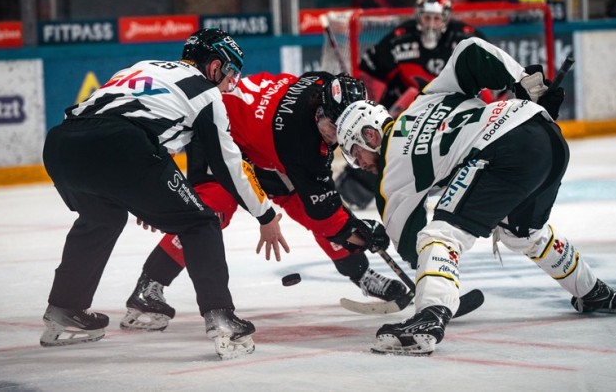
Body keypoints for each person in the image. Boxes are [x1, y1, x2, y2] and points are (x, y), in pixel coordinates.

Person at [335, 37, 616, 356]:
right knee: (521, 232)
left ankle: (429, 318)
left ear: (370, 135)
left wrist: (394, 246)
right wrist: (524, 80)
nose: (359, 164)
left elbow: (410, 243)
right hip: (546, 137)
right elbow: (470, 51)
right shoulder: (427, 98)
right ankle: (593, 291)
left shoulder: (390, 172)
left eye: (354, 153)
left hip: (503, 150)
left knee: (439, 234)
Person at [39, 28, 288, 360]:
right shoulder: (207, 94)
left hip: (61, 145)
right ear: (214, 66)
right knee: (201, 222)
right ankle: (221, 318)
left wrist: (145, 193)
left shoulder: (141, 67)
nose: (233, 82)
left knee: (102, 217)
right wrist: (265, 214)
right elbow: (230, 166)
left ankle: (64, 309)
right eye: (231, 72)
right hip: (122, 147)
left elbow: (128, 123)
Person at [119, 70, 407, 332]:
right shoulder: (302, 140)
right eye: (333, 127)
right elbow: (325, 213)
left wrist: (353, 230)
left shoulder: (323, 86)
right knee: (210, 213)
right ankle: (149, 287)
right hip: (221, 140)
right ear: (320, 110)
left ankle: (362, 275)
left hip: (265, 149)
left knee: (308, 206)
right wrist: (362, 234)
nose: (336, 138)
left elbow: (319, 206)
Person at [339, 0, 485, 209]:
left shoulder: (465, 38)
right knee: (389, 136)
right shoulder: (400, 38)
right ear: (418, 15)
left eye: (436, 18)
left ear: (445, 18)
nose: (430, 24)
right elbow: (372, 77)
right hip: (408, 114)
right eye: (427, 17)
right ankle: (357, 186)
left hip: (452, 114)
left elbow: (488, 84)